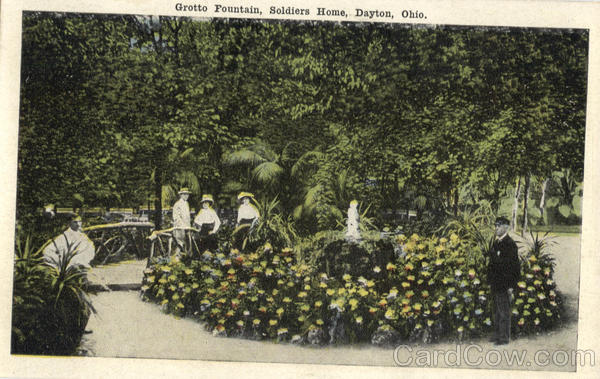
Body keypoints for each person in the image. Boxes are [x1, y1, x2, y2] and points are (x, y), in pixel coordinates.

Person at [487, 216, 520, 345]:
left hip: (504, 283)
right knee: (496, 311)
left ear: (506, 227)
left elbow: (514, 267)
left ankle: (504, 337)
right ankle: (497, 335)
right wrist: (489, 280)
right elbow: (492, 264)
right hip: (495, 283)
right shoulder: (496, 243)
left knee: (504, 311)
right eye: (495, 225)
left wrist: (511, 285)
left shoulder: (510, 244)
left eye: (499, 226)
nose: (496, 228)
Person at [172, 188, 191, 256]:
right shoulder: (177, 204)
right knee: (180, 243)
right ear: (181, 195)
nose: (186, 196)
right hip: (179, 227)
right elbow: (176, 217)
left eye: (187, 194)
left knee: (187, 243)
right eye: (184, 194)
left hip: (187, 227)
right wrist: (182, 225)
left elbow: (187, 217)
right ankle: (176, 258)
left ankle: (185, 258)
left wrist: (188, 226)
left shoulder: (186, 203)